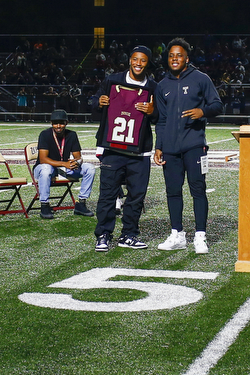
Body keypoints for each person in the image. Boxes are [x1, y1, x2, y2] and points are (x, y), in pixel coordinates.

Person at [153, 38, 223, 254]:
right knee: (173, 191)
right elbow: (161, 120)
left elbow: (217, 105)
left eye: (179, 55)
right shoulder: (162, 85)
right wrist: (159, 146)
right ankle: (177, 234)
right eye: (171, 55)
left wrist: (203, 112)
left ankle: (200, 236)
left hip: (194, 146)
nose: (175, 59)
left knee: (198, 190)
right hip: (171, 149)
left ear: (187, 58)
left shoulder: (201, 79)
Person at [92, 45, 157, 252]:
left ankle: (129, 234)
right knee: (108, 195)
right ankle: (103, 234)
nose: (138, 64)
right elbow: (93, 102)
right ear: (130, 60)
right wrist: (99, 102)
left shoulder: (153, 87)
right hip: (113, 149)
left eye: (143, 60)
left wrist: (152, 111)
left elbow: (160, 117)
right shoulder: (112, 80)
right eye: (135, 59)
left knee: (136, 196)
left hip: (140, 151)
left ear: (148, 63)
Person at [35, 109, 95, 219]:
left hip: (63, 168)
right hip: (46, 167)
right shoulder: (45, 134)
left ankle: (81, 203)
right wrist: (64, 164)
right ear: (51, 123)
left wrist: (76, 162)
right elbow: (43, 159)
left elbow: (78, 157)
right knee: (46, 169)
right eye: (55, 123)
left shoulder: (72, 135)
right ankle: (44, 205)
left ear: (66, 123)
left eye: (61, 123)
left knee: (90, 168)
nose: (58, 126)